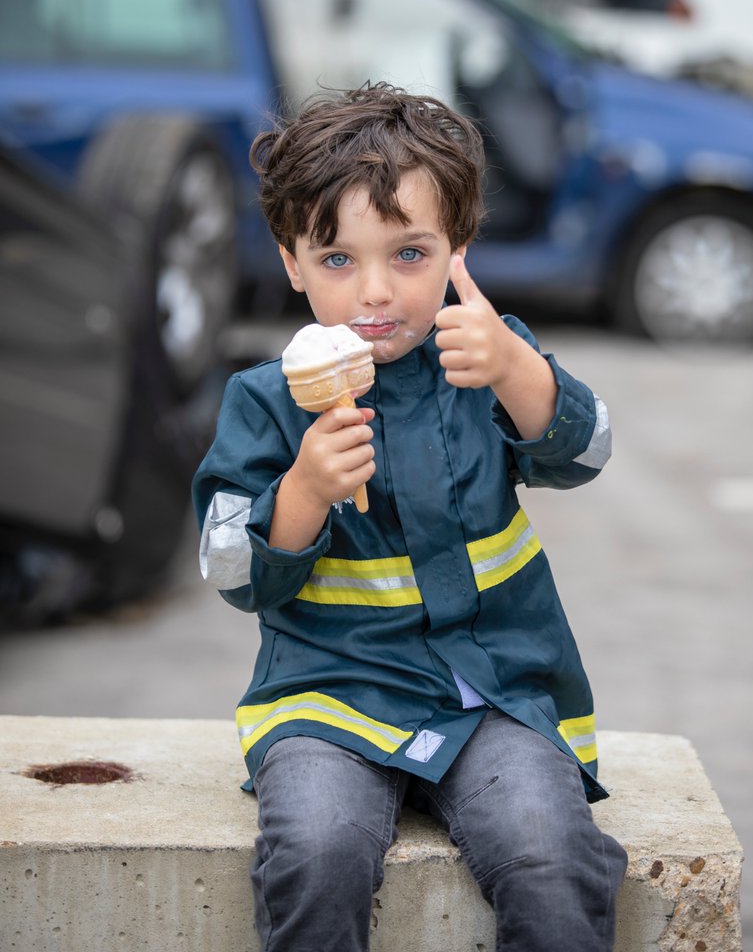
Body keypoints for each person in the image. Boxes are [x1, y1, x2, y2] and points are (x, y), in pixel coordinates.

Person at [192, 82, 627, 952]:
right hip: (330, 699)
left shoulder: (483, 351)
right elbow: (234, 573)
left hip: (496, 695)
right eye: (337, 260)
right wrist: (304, 491)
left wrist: (516, 367)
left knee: (550, 853)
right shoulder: (266, 402)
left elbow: (584, 454)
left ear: (458, 247)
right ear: (291, 262)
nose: (375, 293)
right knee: (315, 851)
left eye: (410, 254)